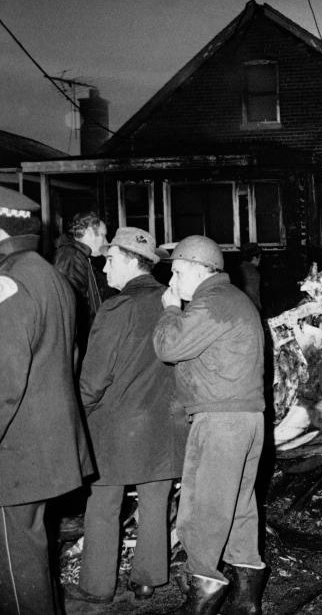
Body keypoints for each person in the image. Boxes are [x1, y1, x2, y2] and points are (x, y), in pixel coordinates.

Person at [68, 227, 186, 605]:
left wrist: (75, 414)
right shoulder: (173, 303)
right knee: (155, 501)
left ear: (131, 261)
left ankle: (97, 586)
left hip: (119, 429)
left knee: (103, 504)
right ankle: (149, 579)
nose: (104, 270)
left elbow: (93, 379)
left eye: (110, 260)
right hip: (166, 425)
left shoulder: (117, 307)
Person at [152, 235, 267, 613]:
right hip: (246, 417)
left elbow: (169, 348)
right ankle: (246, 599)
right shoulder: (236, 300)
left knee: (203, 506)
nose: (173, 282)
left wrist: (170, 310)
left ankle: (202, 592)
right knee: (238, 505)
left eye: (177, 272)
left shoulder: (212, 302)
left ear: (201, 269)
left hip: (221, 420)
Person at [0, 188, 94, 614]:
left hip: (16, 454)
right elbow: (69, 359)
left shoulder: (9, 282)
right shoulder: (50, 277)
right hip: (49, 444)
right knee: (31, 558)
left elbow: (4, 378)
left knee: (15, 567)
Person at [53, 210, 109, 361]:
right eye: (103, 235)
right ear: (90, 231)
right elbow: (71, 305)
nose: (106, 242)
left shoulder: (80, 255)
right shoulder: (71, 256)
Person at [237, 242, 262, 311]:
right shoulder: (253, 273)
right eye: (259, 257)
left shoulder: (239, 269)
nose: (260, 260)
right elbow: (252, 295)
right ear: (254, 258)